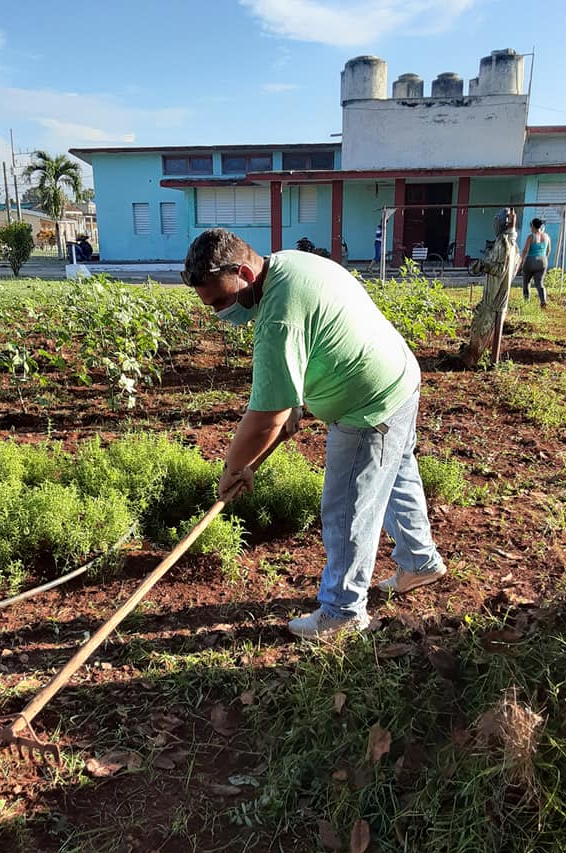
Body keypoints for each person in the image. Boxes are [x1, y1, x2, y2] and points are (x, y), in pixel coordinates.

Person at [181, 228, 445, 640]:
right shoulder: (288, 264)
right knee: (397, 473)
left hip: (367, 406)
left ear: (247, 276)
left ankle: (342, 611)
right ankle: (420, 561)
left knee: (345, 509)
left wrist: (234, 467)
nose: (219, 313)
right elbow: (321, 334)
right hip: (398, 376)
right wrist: (299, 403)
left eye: (220, 301)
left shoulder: (278, 318)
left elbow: (265, 417)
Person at [461, 207, 519, 369]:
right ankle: (473, 355)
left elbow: (501, 269)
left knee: (483, 328)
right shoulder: (508, 242)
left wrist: (483, 265)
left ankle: (475, 358)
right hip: (494, 295)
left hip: (495, 298)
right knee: (479, 325)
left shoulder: (505, 242)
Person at [519, 217, 551, 308]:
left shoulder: (531, 237)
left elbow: (525, 251)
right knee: (540, 283)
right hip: (542, 261)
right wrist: (544, 259)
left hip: (530, 261)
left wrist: (521, 262)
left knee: (526, 282)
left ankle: (526, 302)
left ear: (532, 226)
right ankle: (543, 301)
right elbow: (548, 250)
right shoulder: (547, 236)